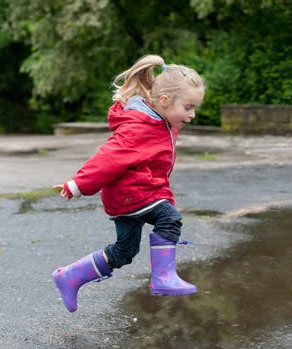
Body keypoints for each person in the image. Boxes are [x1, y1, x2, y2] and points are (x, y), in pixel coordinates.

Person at [51, 54, 205, 312]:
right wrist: (77, 185)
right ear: (165, 101)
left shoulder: (160, 121)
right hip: (131, 195)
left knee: (124, 252)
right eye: (188, 107)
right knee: (169, 218)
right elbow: (108, 158)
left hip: (134, 196)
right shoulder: (139, 128)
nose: (192, 114)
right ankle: (163, 278)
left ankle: (69, 277)